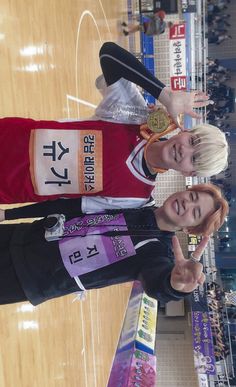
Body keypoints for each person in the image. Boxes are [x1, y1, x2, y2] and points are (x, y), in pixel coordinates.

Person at [0, 42, 227, 208]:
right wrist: (165, 95)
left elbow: (68, 208)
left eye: (194, 158)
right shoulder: (134, 116)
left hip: (8, 189)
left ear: (189, 171)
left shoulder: (136, 197)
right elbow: (108, 54)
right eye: (192, 141)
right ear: (185, 131)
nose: (184, 150)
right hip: (10, 136)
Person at [0, 183, 228, 306]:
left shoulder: (158, 252)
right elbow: (70, 206)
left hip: (29, 278)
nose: (187, 204)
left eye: (195, 212)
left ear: (190, 228)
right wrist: (9, 214)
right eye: (192, 197)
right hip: (21, 235)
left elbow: (156, 281)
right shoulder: (136, 200)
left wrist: (173, 285)